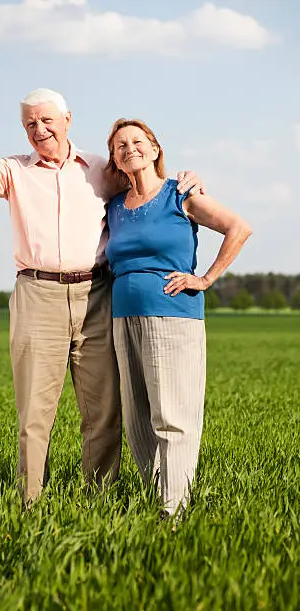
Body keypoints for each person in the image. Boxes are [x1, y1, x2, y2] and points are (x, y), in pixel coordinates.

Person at [0, 66, 204, 505]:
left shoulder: (99, 169)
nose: (39, 129)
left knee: (103, 411)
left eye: (46, 120)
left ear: (67, 120)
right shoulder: (13, 171)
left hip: (97, 294)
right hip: (38, 295)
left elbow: (144, 178)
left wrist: (187, 184)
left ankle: (97, 501)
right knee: (35, 413)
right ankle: (29, 503)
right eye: (30, 123)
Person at [105, 118, 252, 517]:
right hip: (123, 318)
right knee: (138, 418)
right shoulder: (115, 207)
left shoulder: (180, 195)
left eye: (138, 141)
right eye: (120, 145)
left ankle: (174, 510)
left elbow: (238, 228)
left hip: (173, 316)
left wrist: (205, 278)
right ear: (115, 159)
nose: (129, 148)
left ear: (155, 149)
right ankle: (158, 498)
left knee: (173, 416)